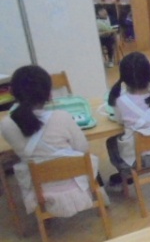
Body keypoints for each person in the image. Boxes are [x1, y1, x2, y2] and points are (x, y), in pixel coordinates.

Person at [0, 65, 108, 217]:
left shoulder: (6, 124)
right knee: (86, 159)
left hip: (39, 188)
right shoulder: (62, 117)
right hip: (75, 182)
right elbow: (83, 148)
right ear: (49, 94)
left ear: (12, 92)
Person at [105, 52, 150, 185]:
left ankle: (127, 174)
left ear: (124, 77)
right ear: (149, 73)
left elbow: (119, 121)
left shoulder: (121, 101)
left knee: (111, 142)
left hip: (137, 160)